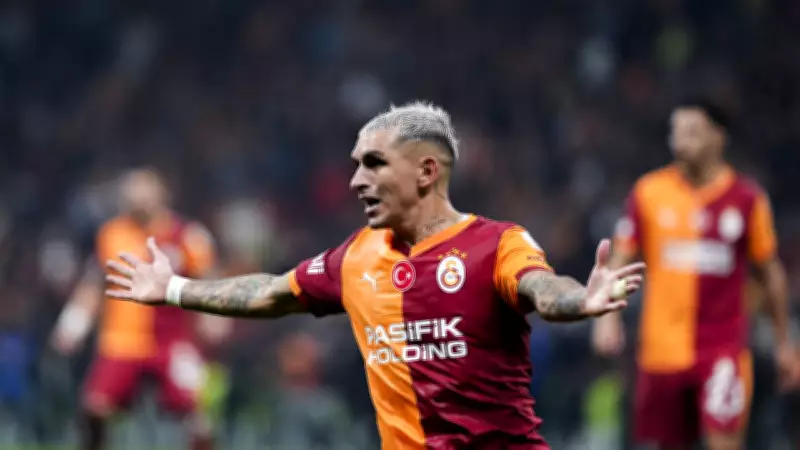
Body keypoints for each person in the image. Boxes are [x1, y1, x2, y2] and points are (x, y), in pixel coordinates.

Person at [105, 101, 646, 449]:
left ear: (426, 171)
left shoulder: (496, 244)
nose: (356, 182)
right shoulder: (357, 256)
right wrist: (173, 288)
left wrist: (581, 299)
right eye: (355, 165)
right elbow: (269, 292)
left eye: (373, 164)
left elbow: (543, 288)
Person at [592, 98, 800, 450]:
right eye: (676, 132)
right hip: (661, 350)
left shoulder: (746, 199)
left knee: (724, 442)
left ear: (718, 137)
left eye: (692, 132)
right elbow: (621, 256)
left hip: (723, 349)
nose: (680, 141)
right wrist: (606, 318)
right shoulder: (649, 193)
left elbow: (770, 273)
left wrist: (784, 344)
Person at [51, 168, 223, 450]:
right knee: (94, 409)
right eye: (131, 192)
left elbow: (207, 277)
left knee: (199, 418)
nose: (137, 198)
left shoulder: (187, 235)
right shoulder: (112, 234)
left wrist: (213, 315)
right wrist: (73, 323)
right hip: (122, 340)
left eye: (144, 191)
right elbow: (94, 282)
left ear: (162, 194)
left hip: (173, 340)